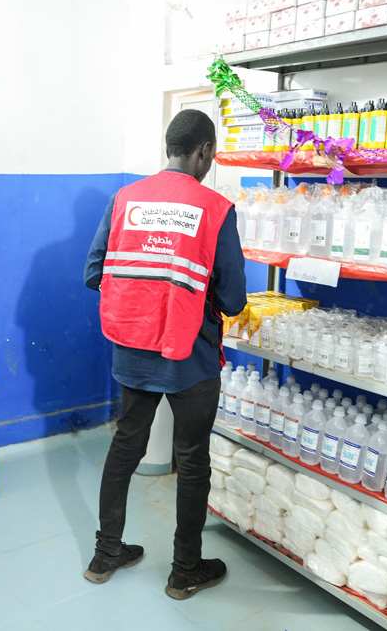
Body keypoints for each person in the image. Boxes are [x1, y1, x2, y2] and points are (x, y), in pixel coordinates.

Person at [82, 109, 247, 600]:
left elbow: (96, 271)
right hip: (190, 356)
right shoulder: (216, 209)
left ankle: (105, 554)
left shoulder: (126, 198)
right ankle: (184, 571)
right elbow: (234, 299)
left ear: (169, 147)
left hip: (132, 347)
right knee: (192, 459)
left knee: (125, 445)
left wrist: (146, 292)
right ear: (204, 152)